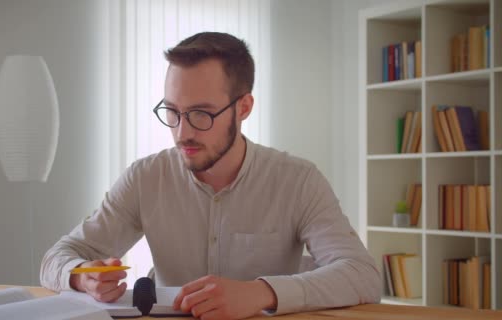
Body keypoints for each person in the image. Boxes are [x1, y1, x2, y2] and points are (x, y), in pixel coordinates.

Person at [40, 32, 381, 320]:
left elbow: (362, 275)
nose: (182, 132)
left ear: (244, 107)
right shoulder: (145, 177)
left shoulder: (298, 180)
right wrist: (82, 279)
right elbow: (56, 258)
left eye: (201, 114)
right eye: (172, 112)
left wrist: (261, 293)